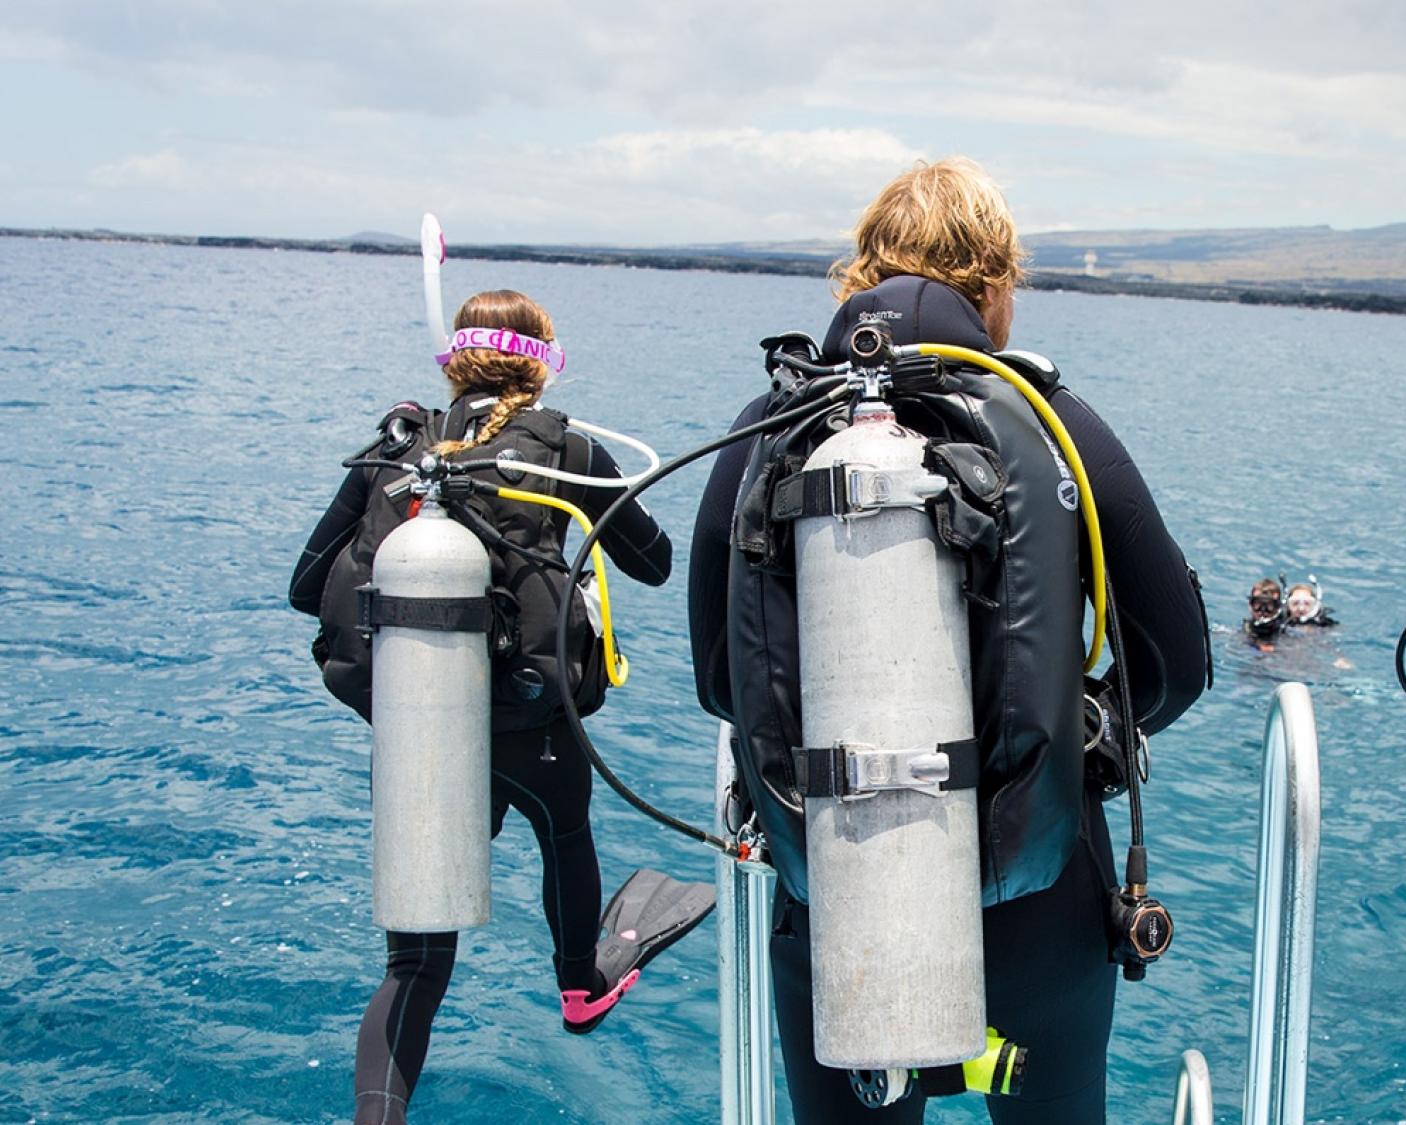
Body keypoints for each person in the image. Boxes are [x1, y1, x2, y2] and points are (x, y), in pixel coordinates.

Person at [688, 158, 1210, 1124]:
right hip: (1040, 900)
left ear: (858, 275)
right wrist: (1072, 721)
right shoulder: (1054, 422)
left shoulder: (773, 426)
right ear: (996, 284)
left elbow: (723, 678)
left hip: (840, 893)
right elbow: (1177, 664)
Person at [289, 290, 707, 1125]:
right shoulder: (564, 451)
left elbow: (307, 589)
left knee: (414, 966)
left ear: (457, 361)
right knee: (565, 837)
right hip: (529, 727)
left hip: (414, 728)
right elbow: (656, 562)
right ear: (542, 362)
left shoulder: (399, 449)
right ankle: (579, 985)